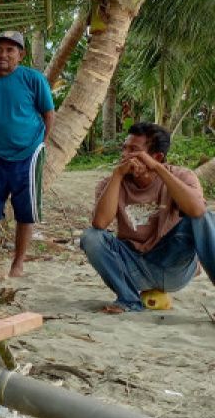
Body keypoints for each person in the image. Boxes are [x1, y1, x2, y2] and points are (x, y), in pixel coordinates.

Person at [81, 123, 215, 314]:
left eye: (133, 150)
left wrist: (158, 169)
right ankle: (128, 299)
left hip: (172, 264)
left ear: (157, 157)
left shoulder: (182, 176)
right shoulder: (110, 182)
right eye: (124, 148)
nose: (125, 155)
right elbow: (100, 224)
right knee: (91, 236)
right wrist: (118, 175)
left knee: (206, 217)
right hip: (131, 265)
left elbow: (197, 211)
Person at [0, 30, 55, 278]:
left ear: (21, 54)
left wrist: (42, 144)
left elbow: (49, 114)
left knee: (25, 211)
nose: (3, 54)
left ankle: (18, 264)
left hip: (28, 155)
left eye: (10, 50)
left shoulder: (33, 79)